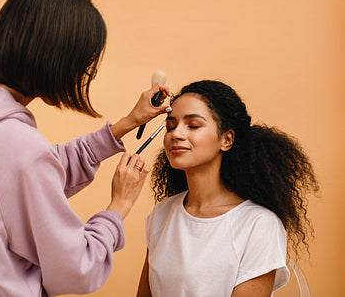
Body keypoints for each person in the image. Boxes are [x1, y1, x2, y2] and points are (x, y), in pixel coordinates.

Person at [0, 0, 171, 297]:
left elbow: (30, 177)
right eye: (82, 65)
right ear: (54, 58)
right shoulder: (17, 147)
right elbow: (77, 268)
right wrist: (117, 207)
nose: (81, 77)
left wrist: (126, 124)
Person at [136, 80, 319, 297]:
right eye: (170, 125)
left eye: (193, 125)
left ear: (227, 139)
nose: (176, 134)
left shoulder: (258, 224)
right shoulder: (163, 213)